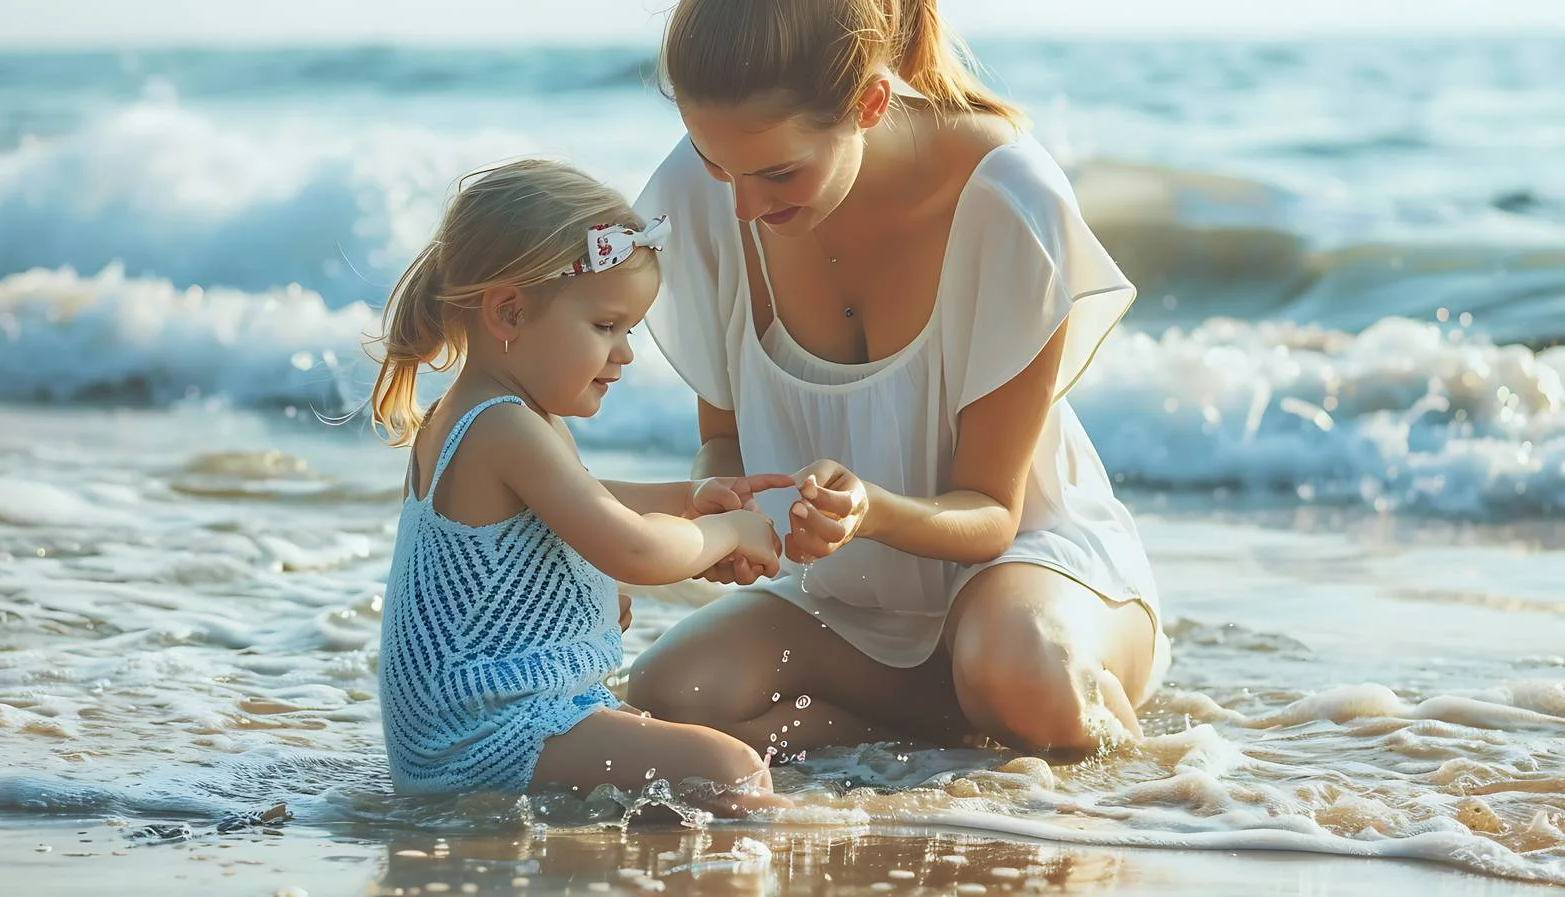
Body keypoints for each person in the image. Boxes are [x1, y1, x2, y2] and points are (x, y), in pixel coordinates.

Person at [627, 0, 1170, 762]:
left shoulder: (1005, 197)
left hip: (1034, 576)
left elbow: (992, 513)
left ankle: (1064, 726)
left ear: (870, 103)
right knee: (671, 696)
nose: (741, 206)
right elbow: (722, 441)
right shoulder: (704, 191)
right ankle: (958, 739)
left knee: (1015, 669)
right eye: (716, 162)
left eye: (779, 173)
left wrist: (871, 511)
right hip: (855, 606)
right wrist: (720, 503)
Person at [369, 158, 790, 810]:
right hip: (482, 738)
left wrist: (686, 500)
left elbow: (581, 499)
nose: (625, 352)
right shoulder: (502, 426)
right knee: (729, 768)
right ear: (509, 313)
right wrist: (727, 530)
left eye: (629, 329)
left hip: (480, 725)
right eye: (605, 326)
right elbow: (638, 551)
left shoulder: (489, 415)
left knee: (697, 749)